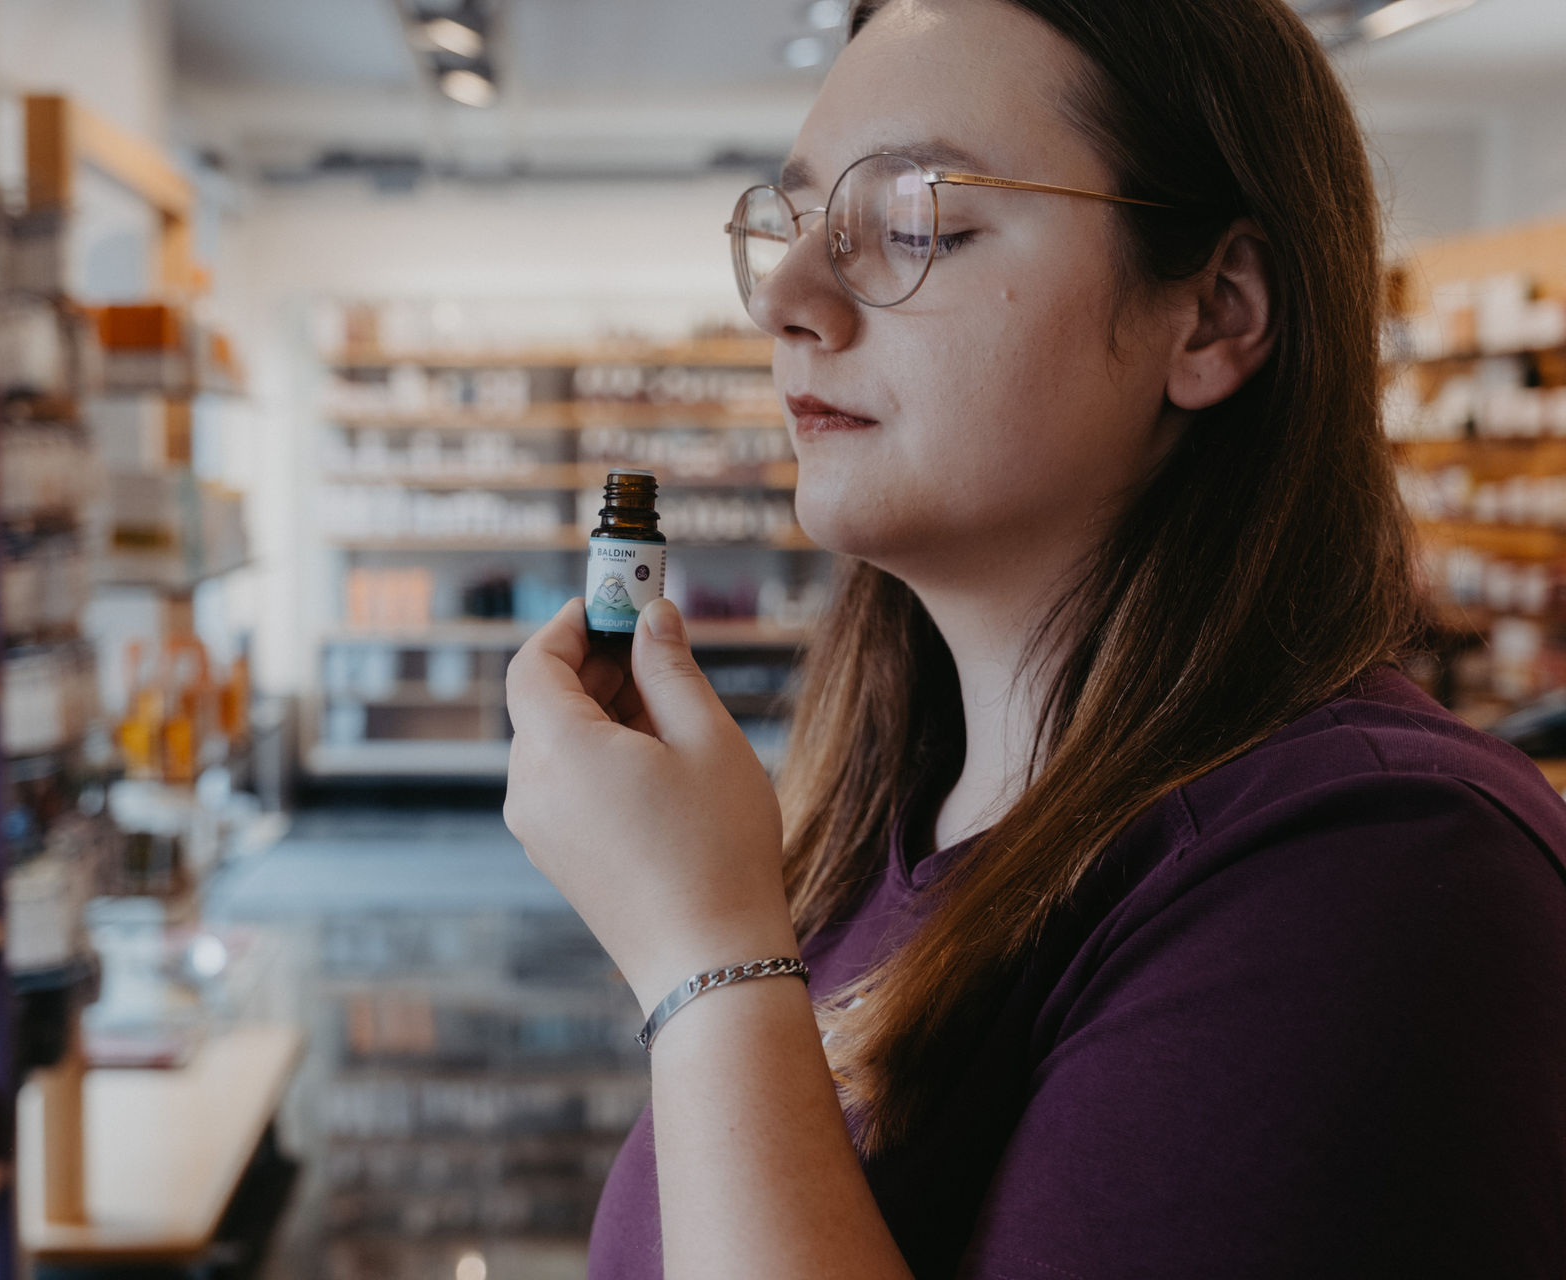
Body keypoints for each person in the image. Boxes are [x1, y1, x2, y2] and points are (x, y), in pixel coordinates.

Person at [500, 0, 1566, 1275]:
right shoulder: (884, 815)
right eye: (789, 222)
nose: (785, 295)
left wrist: (702, 955)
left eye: (915, 222)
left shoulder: (1373, 873)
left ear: (1214, 315)